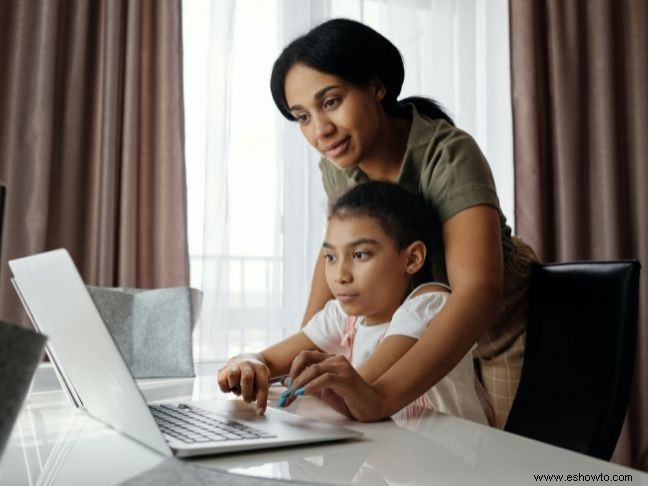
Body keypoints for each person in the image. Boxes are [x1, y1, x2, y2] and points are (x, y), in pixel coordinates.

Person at [267, 18, 538, 428]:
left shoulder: (448, 154)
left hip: (497, 329)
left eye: (331, 102)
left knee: (504, 462)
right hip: (415, 326)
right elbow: (335, 253)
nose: (320, 130)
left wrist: (381, 397)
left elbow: (478, 293)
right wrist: (306, 354)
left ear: (377, 87)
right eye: (302, 116)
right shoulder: (337, 164)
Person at [217, 181, 490, 426]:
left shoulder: (429, 305)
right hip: (391, 457)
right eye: (331, 257)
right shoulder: (344, 316)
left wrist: (302, 378)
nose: (340, 275)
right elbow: (267, 359)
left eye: (360, 255)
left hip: (449, 460)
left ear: (412, 259)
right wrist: (246, 364)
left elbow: (359, 391)